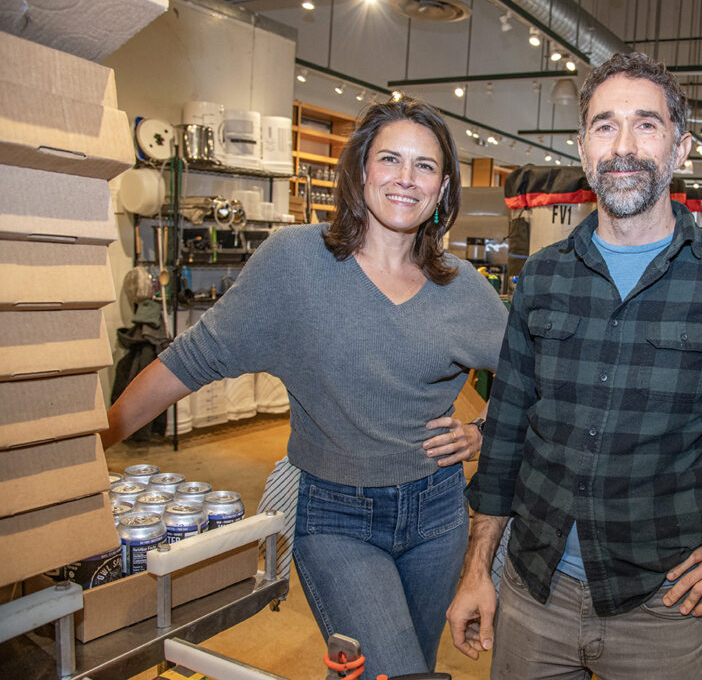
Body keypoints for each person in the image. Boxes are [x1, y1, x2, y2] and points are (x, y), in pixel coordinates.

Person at [446, 52, 702, 679]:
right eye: (605, 126)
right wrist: (476, 568)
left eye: (646, 125)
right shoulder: (542, 278)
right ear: (583, 148)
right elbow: (507, 430)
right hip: (533, 591)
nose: (623, 146)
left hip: (663, 607)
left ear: (680, 148)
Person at [102, 98, 509, 679]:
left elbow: (532, 379)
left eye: (425, 166)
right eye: (390, 159)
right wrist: (93, 445)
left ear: (442, 187)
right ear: (361, 169)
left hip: (438, 516)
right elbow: (194, 358)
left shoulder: (461, 288)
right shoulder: (296, 263)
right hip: (337, 517)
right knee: (392, 670)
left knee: (411, 666)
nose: (405, 177)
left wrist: (481, 432)